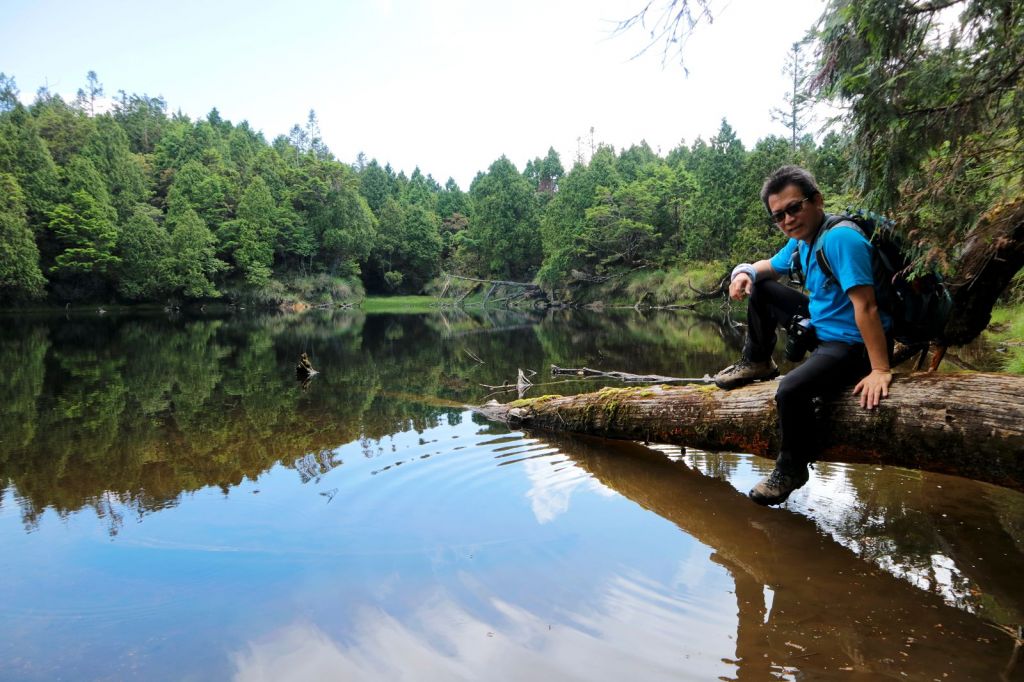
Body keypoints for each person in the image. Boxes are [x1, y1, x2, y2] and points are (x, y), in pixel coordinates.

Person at [714, 165, 893, 506]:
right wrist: (742, 273)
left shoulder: (840, 239)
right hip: (823, 327)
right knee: (762, 288)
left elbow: (867, 307)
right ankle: (757, 362)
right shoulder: (802, 243)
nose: (787, 220)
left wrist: (880, 369)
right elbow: (766, 267)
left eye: (794, 208)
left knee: (791, 390)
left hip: (852, 344)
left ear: (817, 201)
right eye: (778, 216)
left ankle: (792, 467)